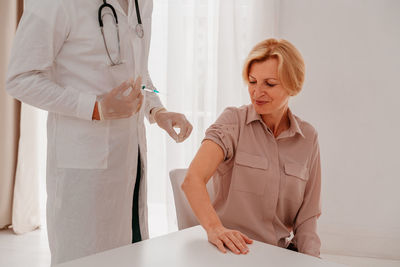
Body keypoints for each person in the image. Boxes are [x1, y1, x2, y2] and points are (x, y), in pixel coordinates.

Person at [6, 0, 192, 265]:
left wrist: (157, 110)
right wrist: (94, 107)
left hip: (130, 161)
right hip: (84, 171)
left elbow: (138, 71)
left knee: (130, 253)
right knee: (86, 257)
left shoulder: (142, 3)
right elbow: (20, 79)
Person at [182, 38, 321, 257]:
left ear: (293, 85)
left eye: (270, 84)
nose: (257, 92)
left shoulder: (308, 138)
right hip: (229, 253)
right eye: (252, 81)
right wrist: (215, 228)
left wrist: (313, 261)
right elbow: (192, 180)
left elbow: (307, 217)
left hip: (277, 256)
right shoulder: (232, 122)